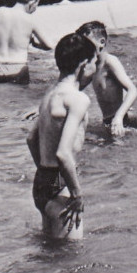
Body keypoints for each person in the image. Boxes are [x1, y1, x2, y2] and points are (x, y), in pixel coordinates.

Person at [26, 33, 97, 239]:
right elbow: (64, 154)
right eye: (94, 62)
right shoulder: (77, 99)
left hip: (42, 182)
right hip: (60, 181)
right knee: (72, 258)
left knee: (52, 251)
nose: (95, 68)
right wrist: (77, 195)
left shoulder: (50, 94)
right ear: (83, 65)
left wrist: (45, 173)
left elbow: (31, 139)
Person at [76, 21, 137, 137]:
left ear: (102, 42)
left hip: (123, 121)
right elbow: (74, 88)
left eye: (87, 44)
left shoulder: (110, 61)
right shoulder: (92, 66)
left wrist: (119, 117)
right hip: (108, 122)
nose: (83, 48)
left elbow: (133, 90)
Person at [0, 0, 54, 84]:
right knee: (19, 99)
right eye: (37, 5)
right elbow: (49, 45)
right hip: (18, 67)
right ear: (32, 2)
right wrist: (36, 45)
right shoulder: (31, 20)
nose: (35, 9)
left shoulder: (0, 12)